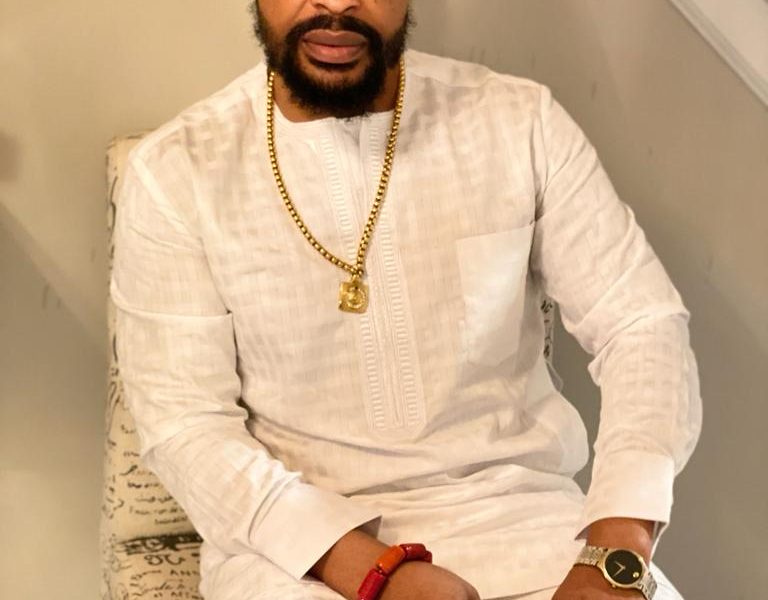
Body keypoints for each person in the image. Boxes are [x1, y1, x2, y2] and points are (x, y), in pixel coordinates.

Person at [111, 1, 702, 599]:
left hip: (529, 528)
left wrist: (615, 552)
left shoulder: (518, 122)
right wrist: (372, 570)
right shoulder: (177, 171)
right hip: (297, 553)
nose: (336, 2)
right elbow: (185, 422)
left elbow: (640, 322)